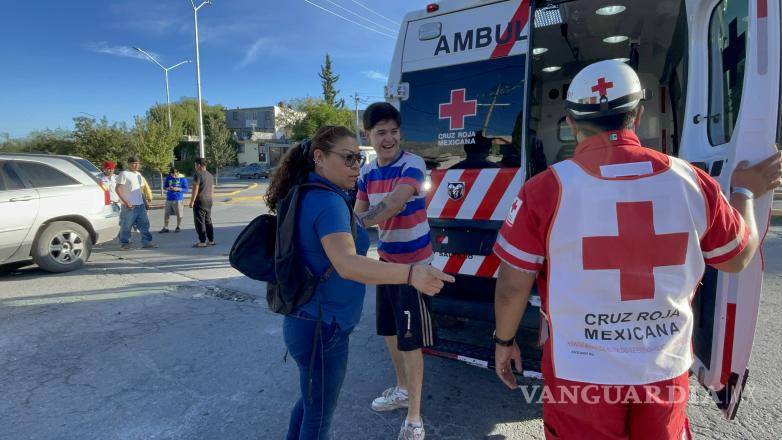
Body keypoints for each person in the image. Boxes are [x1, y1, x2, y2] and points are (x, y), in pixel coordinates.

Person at [491, 59, 782, 440]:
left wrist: (504, 341)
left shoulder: (544, 190)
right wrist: (743, 191)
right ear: (639, 115)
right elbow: (737, 257)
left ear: (572, 123)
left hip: (579, 370)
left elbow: (513, 286)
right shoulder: (693, 181)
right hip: (663, 366)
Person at [265, 125, 454, 440]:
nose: (356, 165)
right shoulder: (327, 202)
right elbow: (347, 264)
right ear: (319, 158)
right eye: (348, 158)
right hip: (323, 328)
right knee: (319, 416)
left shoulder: (306, 192)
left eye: (357, 158)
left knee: (311, 403)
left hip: (306, 321)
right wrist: (411, 273)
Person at [354, 102, 435, 440]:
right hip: (386, 263)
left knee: (410, 340)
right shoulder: (367, 172)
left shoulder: (412, 163)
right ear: (368, 136)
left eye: (393, 131)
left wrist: (350, 225)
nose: (388, 138)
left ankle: (415, 419)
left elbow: (396, 203)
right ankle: (402, 390)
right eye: (380, 132)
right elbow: (358, 209)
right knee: (390, 332)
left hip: (417, 267)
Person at [116, 156, 156, 250]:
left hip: (140, 205)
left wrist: (145, 202)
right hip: (129, 205)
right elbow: (118, 189)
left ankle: (146, 242)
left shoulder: (138, 175)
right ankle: (125, 243)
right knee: (126, 225)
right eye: (134, 163)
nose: (136, 165)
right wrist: (126, 202)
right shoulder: (124, 174)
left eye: (138, 163)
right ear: (129, 164)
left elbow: (140, 190)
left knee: (144, 224)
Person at [189, 158, 215, 248]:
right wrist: (211, 199)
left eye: (195, 165)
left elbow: (195, 188)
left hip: (200, 200)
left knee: (200, 221)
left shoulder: (198, 174)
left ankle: (202, 241)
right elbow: (212, 189)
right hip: (209, 200)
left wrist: (192, 201)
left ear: (199, 165)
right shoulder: (210, 175)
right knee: (208, 221)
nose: (195, 166)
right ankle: (211, 240)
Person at [160, 167, 188, 233]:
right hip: (169, 199)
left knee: (179, 214)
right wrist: (168, 188)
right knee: (166, 214)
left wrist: (178, 189)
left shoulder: (182, 179)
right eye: (172, 175)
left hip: (178, 199)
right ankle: (166, 227)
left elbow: (186, 189)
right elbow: (165, 186)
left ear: (178, 173)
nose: (174, 176)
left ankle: (178, 227)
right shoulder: (168, 177)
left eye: (175, 174)